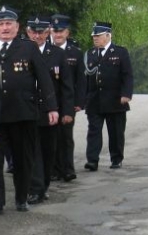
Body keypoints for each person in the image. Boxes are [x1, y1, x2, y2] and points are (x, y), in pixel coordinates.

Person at [0, 6, 58, 213]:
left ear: (17, 27)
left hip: (22, 113)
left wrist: (51, 107)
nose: (5, 28)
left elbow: (44, 79)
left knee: (23, 159)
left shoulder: (28, 48)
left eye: (9, 24)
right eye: (1, 24)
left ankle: (22, 197)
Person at [25, 16, 73, 205]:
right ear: (28, 32)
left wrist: (67, 111)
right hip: (27, 110)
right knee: (32, 151)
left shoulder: (58, 54)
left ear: (48, 33)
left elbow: (67, 86)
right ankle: (35, 189)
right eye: (33, 32)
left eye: (41, 32)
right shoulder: (21, 51)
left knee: (48, 152)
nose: (37, 36)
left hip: (50, 112)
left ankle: (43, 186)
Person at [84, 21, 133, 170]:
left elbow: (127, 75)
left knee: (116, 132)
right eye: (94, 36)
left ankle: (116, 159)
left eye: (98, 36)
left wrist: (126, 94)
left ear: (107, 35)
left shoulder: (120, 52)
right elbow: (85, 78)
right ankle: (92, 161)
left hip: (115, 100)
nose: (95, 38)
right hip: (94, 100)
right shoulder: (90, 54)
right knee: (94, 132)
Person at [50, 14, 86, 182]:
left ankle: (68, 169)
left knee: (66, 135)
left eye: (61, 31)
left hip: (68, 101)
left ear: (67, 33)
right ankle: (55, 169)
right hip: (50, 100)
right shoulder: (45, 51)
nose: (58, 35)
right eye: (55, 31)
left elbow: (81, 80)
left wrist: (79, 102)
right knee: (52, 136)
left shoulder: (76, 53)